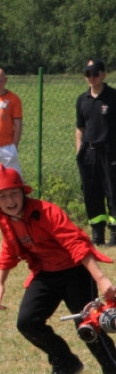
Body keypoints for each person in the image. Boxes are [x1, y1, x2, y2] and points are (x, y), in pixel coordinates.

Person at [0, 164, 116, 374]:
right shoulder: (5, 219)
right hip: (45, 274)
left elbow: (77, 244)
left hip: (75, 271)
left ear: (23, 192)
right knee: (27, 322)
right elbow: (9, 248)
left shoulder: (47, 212)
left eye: (13, 193)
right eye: (2, 196)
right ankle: (65, 362)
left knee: (88, 326)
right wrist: (0, 282)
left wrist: (101, 278)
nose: (9, 200)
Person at [75, 58, 116, 246]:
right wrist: (79, 152)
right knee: (92, 194)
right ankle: (97, 234)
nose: (92, 77)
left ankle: (115, 234)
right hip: (88, 154)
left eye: (95, 73)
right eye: (88, 74)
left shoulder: (113, 97)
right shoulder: (82, 100)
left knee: (113, 193)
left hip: (109, 153)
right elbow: (80, 128)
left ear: (103, 74)